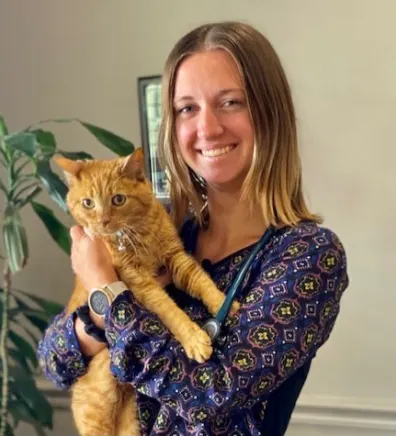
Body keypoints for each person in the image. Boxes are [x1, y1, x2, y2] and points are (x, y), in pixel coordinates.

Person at [37, 21, 349, 436]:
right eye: (187, 108)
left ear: (269, 112)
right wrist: (95, 313)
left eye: (231, 102)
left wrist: (107, 289)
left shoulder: (307, 255)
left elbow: (211, 396)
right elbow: (56, 363)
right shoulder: (166, 232)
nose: (208, 128)